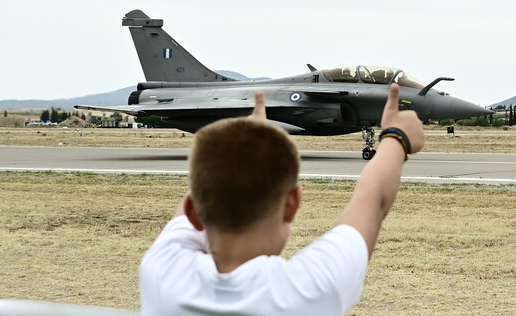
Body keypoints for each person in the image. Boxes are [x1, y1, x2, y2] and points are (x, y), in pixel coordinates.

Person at [140, 83, 424, 316]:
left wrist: (243, 143)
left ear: (193, 210)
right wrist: (396, 138)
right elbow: (373, 200)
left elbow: (205, 185)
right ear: (292, 204)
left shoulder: (161, 270)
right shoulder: (309, 288)